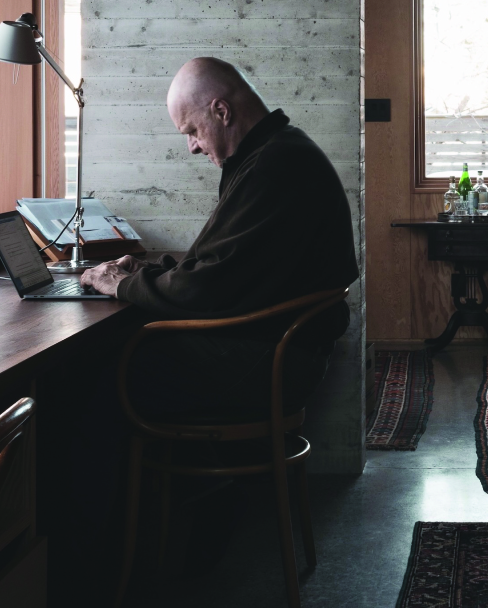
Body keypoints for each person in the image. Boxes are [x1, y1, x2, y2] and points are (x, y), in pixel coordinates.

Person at [80, 56, 357, 419]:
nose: (192, 147)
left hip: (274, 360)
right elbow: (225, 263)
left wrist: (123, 284)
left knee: (95, 372)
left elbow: (206, 288)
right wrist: (146, 271)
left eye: (192, 131)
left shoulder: (272, 165)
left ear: (221, 111)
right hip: (280, 348)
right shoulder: (278, 149)